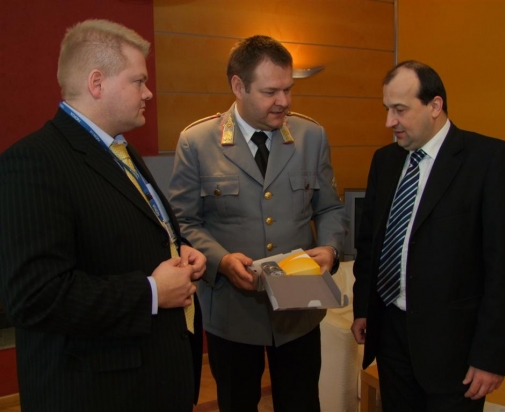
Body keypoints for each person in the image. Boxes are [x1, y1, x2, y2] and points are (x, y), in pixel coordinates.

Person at [0, 19, 206, 412]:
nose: (148, 92)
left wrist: (179, 247)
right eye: (138, 81)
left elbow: (125, 232)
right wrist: (151, 292)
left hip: (153, 377)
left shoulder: (121, 151)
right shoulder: (33, 162)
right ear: (97, 83)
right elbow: (33, 297)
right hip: (99, 392)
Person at [169, 35, 348, 411]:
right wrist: (221, 261)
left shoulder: (311, 136)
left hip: (299, 306)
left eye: (288, 89)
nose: (283, 101)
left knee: (301, 403)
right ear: (238, 86)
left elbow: (331, 208)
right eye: (270, 92)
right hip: (233, 311)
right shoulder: (197, 142)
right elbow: (184, 222)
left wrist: (330, 248)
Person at [351, 60, 505, 411]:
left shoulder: (491, 160)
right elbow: (370, 245)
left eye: (400, 109)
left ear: (435, 105)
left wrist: (492, 355)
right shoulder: (385, 161)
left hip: (454, 349)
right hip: (391, 335)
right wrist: (363, 308)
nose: (389, 121)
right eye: (387, 109)